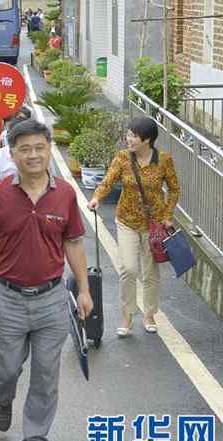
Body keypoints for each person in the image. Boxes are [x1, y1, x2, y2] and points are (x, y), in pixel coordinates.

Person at [0, 119, 94, 441]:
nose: (33, 155)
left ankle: (36, 434)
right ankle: (3, 396)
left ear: (49, 150)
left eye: (40, 148)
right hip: (7, 298)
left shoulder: (64, 194)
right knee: (5, 370)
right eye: (25, 149)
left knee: (46, 375)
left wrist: (83, 289)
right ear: (13, 154)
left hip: (51, 299)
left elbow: (74, 242)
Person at [88, 117, 180, 336]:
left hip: (154, 224)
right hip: (126, 220)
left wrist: (167, 215)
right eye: (128, 135)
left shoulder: (164, 160)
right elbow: (108, 181)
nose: (128, 139)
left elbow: (174, 189)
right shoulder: (122, 158)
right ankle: (127, 317)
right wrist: (96, 198)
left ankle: (149, 314)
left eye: (133, 136)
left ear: (147, 139)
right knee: (128, 269)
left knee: (150, 273)